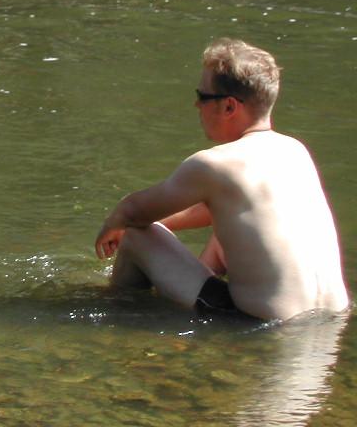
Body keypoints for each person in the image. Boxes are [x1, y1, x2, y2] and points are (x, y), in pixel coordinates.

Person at [95, 38, 349, 321]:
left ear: (229, 107)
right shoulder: (295, 151)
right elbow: (216, 210)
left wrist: (114, 224)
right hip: (331, 318)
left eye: (202, 96)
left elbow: (132, 211)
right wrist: (161, 224)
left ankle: (115, 315)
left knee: (135, 236)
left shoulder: (213, 164)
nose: (196, 104)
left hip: (261, 325)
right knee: (226, 229)